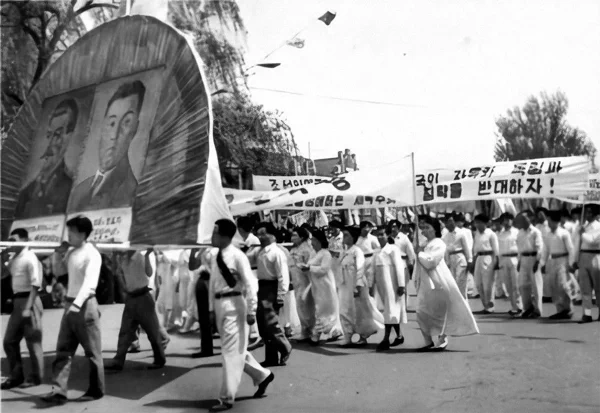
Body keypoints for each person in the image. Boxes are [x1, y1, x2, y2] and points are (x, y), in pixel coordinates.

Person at [208, 219, 275, 412]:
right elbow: (213, 283)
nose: (211, 237)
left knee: (230, 353)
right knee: (236, 349)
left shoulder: (237, 256)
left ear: (224, 236)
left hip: (235, 305)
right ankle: (263, 375)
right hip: (220, 305)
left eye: (214, 233)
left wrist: (251, 311)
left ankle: (226, 398)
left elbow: (250, 285)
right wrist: (212, 310)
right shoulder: (215, 256)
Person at [42, 216, 104, 405]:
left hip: (85, 306)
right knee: (63, 350)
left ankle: (96, 390)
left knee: (92, 352)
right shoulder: (71, 252)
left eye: (72, 232)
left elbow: (89, 285)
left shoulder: (92, 254)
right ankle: (59, 392)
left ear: (82, 233)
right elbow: (61, 273)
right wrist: (59, 254)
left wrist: (75, 306)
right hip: (70, 304)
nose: (68, 235)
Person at [68, 81, 145, 212]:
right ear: (102, 125)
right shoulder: (79, 190)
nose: (114, 135)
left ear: (135, 130)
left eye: (126, 123)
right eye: (112, 123)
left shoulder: (131, 194)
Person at [413, 215, 479, 351]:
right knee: (421, 311)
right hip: (425, 282)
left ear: (434, 229)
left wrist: (420, 254)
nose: (424, 230)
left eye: (427, 227)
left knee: (439, 310)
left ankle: (442, 338)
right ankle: (428, 341)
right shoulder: (424, 245)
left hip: (438, 280)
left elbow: (431, 262)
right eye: (423, 228)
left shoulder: (439, 243)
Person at [104, 250, 167, 371]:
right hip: (131, 298)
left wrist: (148, 256)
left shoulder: (140, 257)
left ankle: (160, 359)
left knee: (152, 331)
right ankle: (118, 360)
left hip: (143, 297)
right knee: (125, 330)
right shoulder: (123, 259)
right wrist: (114, 257)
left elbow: (149, 273)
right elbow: (115, 272)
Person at [16, 99, 78, 219]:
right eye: (49, 135)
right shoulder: (26, 193)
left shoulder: (70, 188)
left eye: (57, 135)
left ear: (68, 137)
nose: (49, 144)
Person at [1, 229, 44, 390]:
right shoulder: (15, 258)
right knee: (9, 341)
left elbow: (36, 285)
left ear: (25, 240)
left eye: (14, 239)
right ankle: (16, 375)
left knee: (33, 341)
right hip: (18, 300)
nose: (11, 242)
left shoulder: (30, 257)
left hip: (30, 300)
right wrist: (2, 257)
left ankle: (36, 378)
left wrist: (28, 307)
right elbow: (2, 274)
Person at [254, 223, 293, 367]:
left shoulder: (277, 252)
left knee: (271, 323)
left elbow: (283, 275)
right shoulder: (261, 251)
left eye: (263, 233)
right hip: (262, 287)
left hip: (272, 287)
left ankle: (285, 347)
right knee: (262, 324)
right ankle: (271, 357)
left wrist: (281, 294)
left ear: (272, 235)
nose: (260, 237)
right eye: (258, 233)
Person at [338, 226, 384, 348]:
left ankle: (364, 335)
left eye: (347, 235)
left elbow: (360, 268)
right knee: (344, 310)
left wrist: (358, 285)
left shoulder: (357, 251)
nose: (344, 237)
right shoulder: (344, 251)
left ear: (353, 237)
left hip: (355, 284)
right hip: (345, 285)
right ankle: (347, 335)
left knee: (360, 311)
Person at [301, 230, 343, 344]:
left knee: (324, 309)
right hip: (316, 285)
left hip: (326, 285)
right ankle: (335, 331)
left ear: (319, 241)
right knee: (320, 308)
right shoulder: (313, 253)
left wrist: (309, 268)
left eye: (313, 240)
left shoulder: (326, 253)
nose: (311, 243)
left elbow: (324, 269)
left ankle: (317, 334)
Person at [373, 227, 407, 352]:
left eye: (382, 234)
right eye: (378, 235)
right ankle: (399, 335)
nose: (380, 237)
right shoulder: (378, 251)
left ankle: (386, 339)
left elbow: (399, 266)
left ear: (387, 236)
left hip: (391, 283)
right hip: (381, 284)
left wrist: (401, 284)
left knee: (390, 310)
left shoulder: (393, 249)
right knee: (389, 310)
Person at [542, 211, 576, 320]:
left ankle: (568, 309)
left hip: (563, 260)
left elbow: (571, 249)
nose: (548, 223)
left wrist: (571, 263)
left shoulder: (564, 233)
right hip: (553, 261)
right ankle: (560, 310)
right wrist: (543, 263)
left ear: (555, 221)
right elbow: (546, 250)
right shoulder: (548, 235)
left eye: (549, 221)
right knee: (554, 286)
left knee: (562, 285)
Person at [236, 216, 263, 349]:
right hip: (241, 274)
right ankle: (249, 333)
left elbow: (257, 259)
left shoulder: (254, 240)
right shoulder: (237, 239)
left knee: (252, 302)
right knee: (243, 303)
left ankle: (255, 334)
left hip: (253, 272)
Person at [573, 204, 600, 323]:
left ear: (596, 215)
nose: (587, 215)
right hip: (584, 256)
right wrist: (574, 260)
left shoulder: (598, 226)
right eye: (587, 212)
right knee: (585, 287)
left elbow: (593, 241)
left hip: (596, 256)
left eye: (589, 212)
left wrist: (582, 234)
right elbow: (577, 244)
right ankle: (587, 314)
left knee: (598, 287)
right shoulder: (583, 226)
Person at [515, 211, 544, 319]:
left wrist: (537, 261)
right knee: (523, 285)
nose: (522, 220)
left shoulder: (535, 232)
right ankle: (527, 308)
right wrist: (519, 261)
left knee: (536, 285)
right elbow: (519, 248)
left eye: (524, 218)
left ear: (530, 219)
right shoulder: (520, 232)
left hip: (533, 258)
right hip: (523, 259)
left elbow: (539, 248)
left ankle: (538, 310)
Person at [289, 227, 316, 342]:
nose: (292, 237)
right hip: (296, 281)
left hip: (306, 282)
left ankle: (311, 331)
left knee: (307, 306)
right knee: (300, 306)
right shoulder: (293, 249)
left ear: (302, 237)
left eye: (295, 235)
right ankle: (305, 331)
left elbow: (310, 266)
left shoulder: (307, 250)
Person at [189, 247, 216, 358]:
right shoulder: (202, 250)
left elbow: (215, 271)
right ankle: (206, 348)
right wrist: (193, 251)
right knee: (203, 317)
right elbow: (192, 266)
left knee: (215, 315)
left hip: (212, 281)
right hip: (202, 280)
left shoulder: (215, 251)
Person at [497, 212, 523, 317]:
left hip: (514, 258)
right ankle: (513, 307)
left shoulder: (517, 232)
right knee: (508, 285)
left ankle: (520, 307)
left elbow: (521, 246)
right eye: (504, 220)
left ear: (512, 220)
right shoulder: (500, 234)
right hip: (504, 259)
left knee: (516, 284)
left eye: (508, 220)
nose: (506, 222)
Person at [472, 214, 499, 314]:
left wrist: (496, 261)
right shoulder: (477, 234)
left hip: (488, 258)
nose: (477, 225)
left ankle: (490, 306)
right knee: (479, 284)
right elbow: (474, 248)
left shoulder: (491, 234)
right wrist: (474, 261)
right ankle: (485, 305)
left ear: (485, 223)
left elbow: (496, 250)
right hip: (479, 257)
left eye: (479, 222)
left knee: (488, 284)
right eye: (476, 223)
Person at [442, 214, 472, 299]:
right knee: (453, 284)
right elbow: (446, 251)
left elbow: (467, 248)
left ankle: (465, 306)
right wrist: (446, 263)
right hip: (451, 261)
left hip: (461, 259)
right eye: (448, 222)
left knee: (461, 283)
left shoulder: (461, 233)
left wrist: (469, 260)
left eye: (451, 221)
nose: (450, 223)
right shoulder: (445, 236)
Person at [535, 207, 553, 303]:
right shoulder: (537, 226)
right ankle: (544, 294)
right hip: (539, 253)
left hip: (549, 253)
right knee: (541, 275)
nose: (539, 216)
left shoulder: (548, 226)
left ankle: (549, 295)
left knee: (547, 275)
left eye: (541, 214)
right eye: (538, 215)